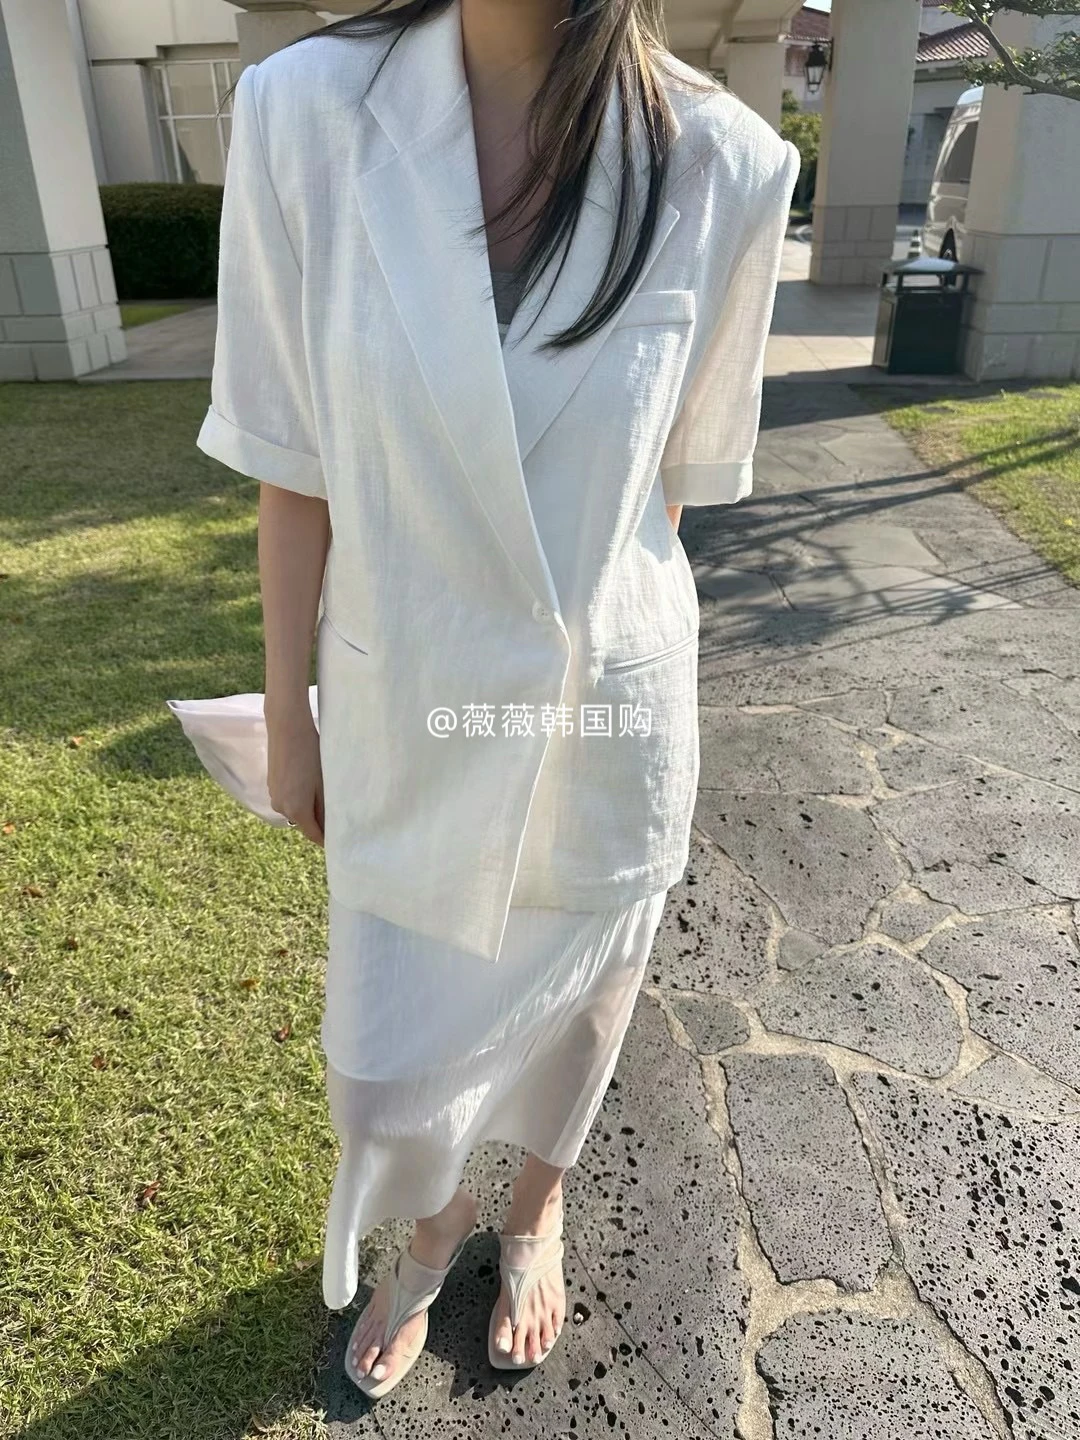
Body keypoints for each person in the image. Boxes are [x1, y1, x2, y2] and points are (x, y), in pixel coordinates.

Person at [196, 0, 798, 1402]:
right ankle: (435, 1225)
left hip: (608, 713)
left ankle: (534, 1208)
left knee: (588, 999)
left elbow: (665, 498)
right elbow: (294, 467)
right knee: (385, 1069)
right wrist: (289, 719)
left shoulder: (729, 161)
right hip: (406, 703)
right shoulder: (302, 114)